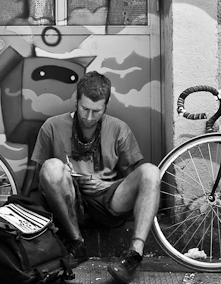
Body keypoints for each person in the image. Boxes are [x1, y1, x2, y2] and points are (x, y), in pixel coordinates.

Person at [29, 71, 160, 284]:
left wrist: (104, 184)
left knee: (151, 172)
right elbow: (39, 177)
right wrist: (66, 177)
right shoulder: (52, 126)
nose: (89, 117)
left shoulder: (118, 128)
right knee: (51, 167)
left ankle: (134, 255)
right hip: (69, 202)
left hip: (107, 200)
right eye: (84, 109)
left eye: (96, 111)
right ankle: (77, 243)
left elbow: (132, 180)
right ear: (77, 101)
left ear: (106, 106)